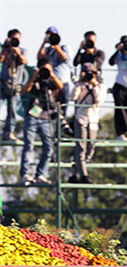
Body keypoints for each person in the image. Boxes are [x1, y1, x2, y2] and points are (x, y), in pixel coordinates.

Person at [20, 56, 63, 186]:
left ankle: (41, 174)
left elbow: (60, 85)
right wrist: (34, 77)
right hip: (33, 115)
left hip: (47, 117)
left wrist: (52, 75)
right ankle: (25, 174)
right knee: (29, 146)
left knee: (49, 148)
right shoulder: (34, 79)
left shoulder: (51, 80)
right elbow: (24, 91)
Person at [70, 63, 104, 184]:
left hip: (93, 119)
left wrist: (94, 86)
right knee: (81, 148)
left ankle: (76, 172)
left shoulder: (100, 86)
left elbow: (99, 101)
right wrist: (79, 83)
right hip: (81, 118)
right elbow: (72, 97)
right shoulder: (80, 85)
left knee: (91, 148)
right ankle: (84, 175)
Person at [37, 26, 73, 136]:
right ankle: (50, 133)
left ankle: (61, 133)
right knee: (51, 108)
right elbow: (40, 58)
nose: (49, 36)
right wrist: (44, 43)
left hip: (63, 82)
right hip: (51, 84)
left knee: (63, 109)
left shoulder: (64, 47)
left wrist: (56, 45)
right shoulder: (47, 50)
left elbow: (66, 58)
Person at [0, 29, 27, 141]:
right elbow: (1, 60)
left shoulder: (23, 50)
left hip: (15, 85)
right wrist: (6, 48)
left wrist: (17, 51)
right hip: (3, 83)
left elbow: (24, 61)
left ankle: (9, 132)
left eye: (17, 38)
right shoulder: (5, 50)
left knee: (12, 110)